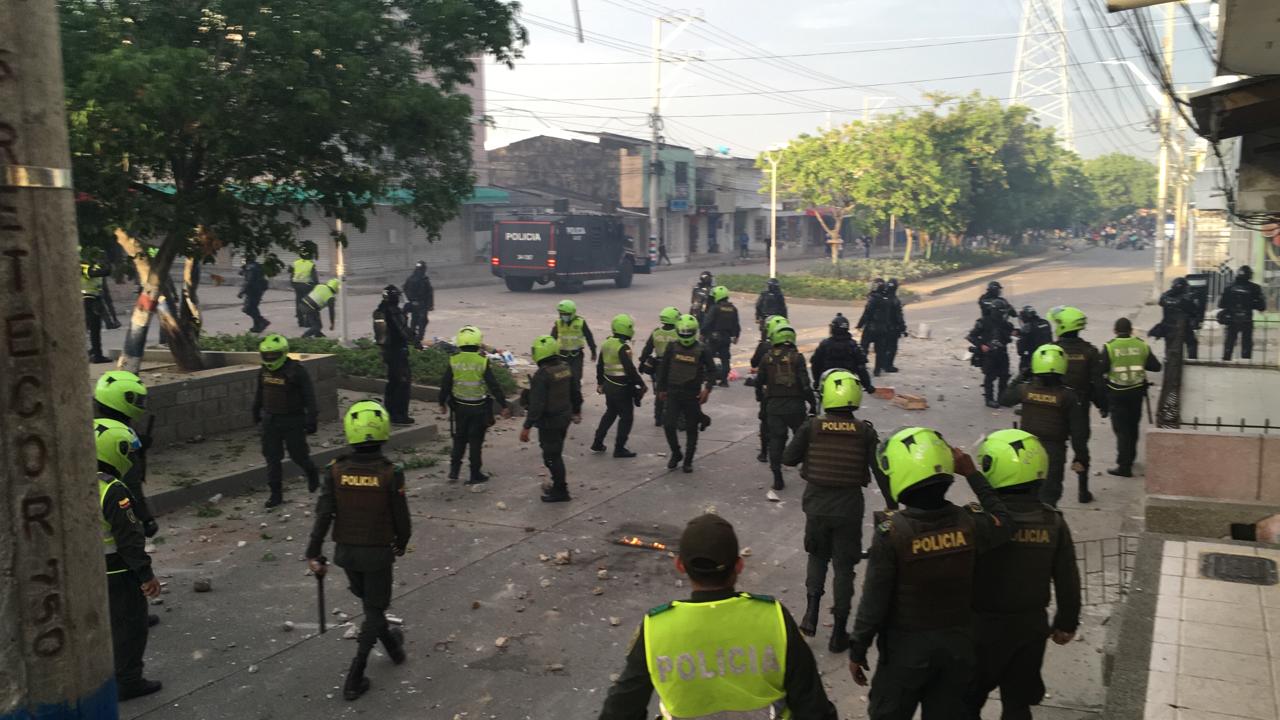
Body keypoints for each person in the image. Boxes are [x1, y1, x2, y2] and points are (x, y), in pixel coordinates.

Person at [597, 513, 839, 720]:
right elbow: (813, 706)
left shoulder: (657, 628)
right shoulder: (773, 617)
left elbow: (620, 710)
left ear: (680, 566)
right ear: (739, 566)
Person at [847, 427, 1013, 720]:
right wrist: (973, 473)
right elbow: (1004, 522)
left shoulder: (893, 533)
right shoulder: (970, 524)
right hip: (957, 649)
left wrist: (858, 649)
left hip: (904, 655)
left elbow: (873, 602)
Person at [964, 429, 1082, 720]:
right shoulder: (1053, 522)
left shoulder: (977, 521)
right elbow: (1068, 578)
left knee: (966, 702)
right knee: (1017, 705)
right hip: (1030, 628)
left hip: (981, 628)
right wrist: (1066, 622)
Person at [305, 400, 412, 702]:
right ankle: (355, 675)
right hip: (377, 554)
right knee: (375, 611)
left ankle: (392, 647)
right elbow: (402, 518)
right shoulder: (391, 473)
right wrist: (401, 543)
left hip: (347, 554)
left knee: (370, 605)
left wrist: (313, 552)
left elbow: (324, 514)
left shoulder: (336, 470)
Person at [782, 370, 890, 654]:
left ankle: (811, 614)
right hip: (849, 509)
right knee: (844, 569)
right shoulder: (865, 431)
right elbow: (880, 471)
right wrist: (892, 505)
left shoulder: (812, 427)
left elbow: (788, 458)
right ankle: (839, 631)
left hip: (816, 506)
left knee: (817, 557)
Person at [95, 417, 163, 700]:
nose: (131, 459)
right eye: (128, 452)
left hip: (91, 571)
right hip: (118, 573)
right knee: (131, 628)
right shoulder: (114, 490)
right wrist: (146, 576)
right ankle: (128, 681)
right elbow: (129, 540)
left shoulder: (76, 481)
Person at [1000, 344, 1086, 507]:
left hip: (1027, 450)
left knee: (1024, 493)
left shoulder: (1025, 390)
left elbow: (1004, 399)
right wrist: (1081, 456)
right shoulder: (1068, 396)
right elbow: (1078, 432)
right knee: (1049, 498)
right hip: (1054, 453)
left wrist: (1021, 376)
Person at [252, 334, 320, 508]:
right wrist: (255, 412)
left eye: (273, 355)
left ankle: (311, 472)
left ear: (282, 353)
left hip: (293, 420)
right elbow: (260, 393)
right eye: (266, 355)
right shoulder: (264, 371)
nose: (269, 359)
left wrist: (311, 419)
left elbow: (309, 397)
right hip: (270, 421)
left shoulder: (297, 371)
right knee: (272, 459)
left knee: (298, 456)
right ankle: (276, 495)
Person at [439, 325, 511, 484]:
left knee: (459, 438)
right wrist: (504, 405)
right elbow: (493, 385)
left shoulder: (454, 360)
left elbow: (446, 384)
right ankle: (474, 474)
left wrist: (441, 402)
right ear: (478, 342)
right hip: (478, 408)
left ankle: (454, 471)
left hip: (460, 407)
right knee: (475, 441)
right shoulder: (482, 361)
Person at [1048, 306, 1105, 504]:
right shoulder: (1090, 351)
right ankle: (1083, 490)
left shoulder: (1052, 350)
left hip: (1056, 408)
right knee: (1081, 449)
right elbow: (1097, 383)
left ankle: (1049, 491)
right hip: (1080, 409)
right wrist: (1103, 406)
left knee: (1054, 448)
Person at [95, 371, 159, 540]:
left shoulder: (93, 420)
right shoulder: (122, 438)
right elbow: (132, 483)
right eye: (138, 400)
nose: (141, 405)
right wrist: (146, 518)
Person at [522, 335, 584, 502]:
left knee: (552, 456)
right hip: (564, 418)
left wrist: (527, 426)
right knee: (555, 453)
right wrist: (577, 410)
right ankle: (558, 486)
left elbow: (537, 404)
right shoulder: (565, 367)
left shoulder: (542, 375)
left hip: (549, 422)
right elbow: (575, 392)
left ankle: (561, 490)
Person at [757, 321, 816, 491]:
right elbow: (805, 384)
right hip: (796, 407)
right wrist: (812, 403)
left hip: (774, 407)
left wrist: (762, 400)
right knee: (804, 439)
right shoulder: (797, 358)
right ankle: (808, 471)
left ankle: (777, 478)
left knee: (776, 441)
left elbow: (759, 382)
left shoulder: (766, 358)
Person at [1100, 318, 1162, 478]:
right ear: (1131, 330)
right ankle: (1130, 457)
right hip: (1136, 393)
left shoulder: (1110, 347)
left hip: (1117, 393)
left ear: (1115, 330)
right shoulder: (1141, 345)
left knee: (1121, 430)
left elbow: (1101, 369)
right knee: (1132, 427)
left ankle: (1124, 466)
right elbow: (1156, 366)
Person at [657, 314, 717, 473]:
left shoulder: (702, 349)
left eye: (688, 332)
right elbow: (664, 368)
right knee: (669, 425)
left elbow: (712, 371)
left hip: (692, 394)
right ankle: (676, 453)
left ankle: (688, 461)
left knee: (691, 428)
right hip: (673, 392)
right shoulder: (672, 347)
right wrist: (661, 389)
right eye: (682, 332)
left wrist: (707, 389)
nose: (685, 335)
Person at [592, 314, 647, 458]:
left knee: (610, 413)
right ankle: (619, 448)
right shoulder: (623, 347)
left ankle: (597, 442)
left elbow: (600, 366)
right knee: (626, 417)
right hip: (622, 387)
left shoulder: (607, 343)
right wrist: (640, 384)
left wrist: (600, 383)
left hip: (609, 385)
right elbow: (630, 369)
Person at [373, 285, 420, 426]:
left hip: (386, 351)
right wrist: (415, 340)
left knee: (392, 383)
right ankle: (400, 415)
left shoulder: (379, 311)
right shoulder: (393, 312)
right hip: (397, 351)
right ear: (393, 297)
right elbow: (403, 330)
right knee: (402, 383)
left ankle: (390, 412)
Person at [749, 315, 790, 464]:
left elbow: (753, 363)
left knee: (766, 422)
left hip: (768, 391)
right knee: (783, 424)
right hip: (788, 392)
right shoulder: (792, 350)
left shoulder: (764, 347)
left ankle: (764, 452)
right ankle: (783, 450)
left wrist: (758, 392)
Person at [810, 313, 875, 395]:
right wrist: (868, 386)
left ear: (833, 328)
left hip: (828, 385)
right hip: (848, 385)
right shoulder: (853, 346)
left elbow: (815, 364)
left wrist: (816, 381)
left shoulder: (825, 344)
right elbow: (861, 368)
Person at [639, 307, 681, 427]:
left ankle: (658, 418)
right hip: (674, 366)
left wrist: (642, 363)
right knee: (673, 391)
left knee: (659, 391)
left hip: (658, 366)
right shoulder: (678, 333)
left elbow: (647, 350)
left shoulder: (656, 332)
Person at [968, 307, 1014, 409]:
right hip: (989, 354)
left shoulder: (1004, 323)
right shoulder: (984, 321)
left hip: (1002, 353)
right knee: (990, 377)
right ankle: (989, 399)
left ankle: (1002, 398)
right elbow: (971, 336)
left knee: (1004, 376)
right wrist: (981, 345)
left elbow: (1011, 334)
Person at [1219, 265, 1267, 361]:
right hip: (1246, 319)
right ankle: (1246, 362)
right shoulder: (1255, 288)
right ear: (1250, 275)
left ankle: (1226, 359)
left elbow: (1221, 304)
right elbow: (1261, 306)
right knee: (1247, 342)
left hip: (1231, 318)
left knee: (1230, 341)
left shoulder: (1229, 287)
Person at [700, 285, 741, 387]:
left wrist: (702, 333)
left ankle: (711, 380)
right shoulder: (733, 309)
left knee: (708, 359)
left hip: (714, 337)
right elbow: (736, 324)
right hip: (726, 338)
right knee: (725, 359)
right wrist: (736, 336)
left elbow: (707, 322)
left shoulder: (715, 308)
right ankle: (724, 381)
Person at [550, 299, 597, 385]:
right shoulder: (558, 323)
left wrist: (593, 350)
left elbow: (589, 336)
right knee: (561, 378)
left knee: (576, 378)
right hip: (562, 356)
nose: (563, 316)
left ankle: (575, 395)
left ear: (572, 313)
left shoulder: (580, 322)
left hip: (576, 356)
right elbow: (552, 339)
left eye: (565, 314)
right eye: (561, 314)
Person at [1155, 276, 1201, 360]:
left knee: (1169, 345)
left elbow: (1161, 300)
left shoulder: (1166, 297)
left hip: (1168, 326)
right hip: (1183, 327)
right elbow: (1194, 310)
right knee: (1192, 343)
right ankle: (1192, 360)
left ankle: (1168, 360)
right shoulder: (1185, 300)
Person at [82, 255, 113, 363]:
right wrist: (106, 266)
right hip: (87, 300)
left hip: (95, 299)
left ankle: (94, 352)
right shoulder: (83, 267)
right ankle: (96, 355)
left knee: (95, 329)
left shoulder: (94, 266)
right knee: (92, 328)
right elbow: (96, 273)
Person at [877, 278, 907, 373]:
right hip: (892, 328)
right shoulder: (895, 300)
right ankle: (888, 365)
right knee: (892, 347)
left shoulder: (881, 298)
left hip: (881, 327)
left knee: (883, 346)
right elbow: (899, 317)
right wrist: (903, 328)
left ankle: (880, 364)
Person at [403, 260, 435, 344]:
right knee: (422, 321)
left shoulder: (410, 278)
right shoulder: (424, 279)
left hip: (413, 304)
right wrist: (430, 305)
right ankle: (418, 339)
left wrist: (411, 300)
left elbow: (405, 288)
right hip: (422, 304)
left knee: (414, 320)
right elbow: (429, 292)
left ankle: (412, 338)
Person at [1014, 305, 1053, 374]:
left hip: (1033, 358)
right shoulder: (1045, 322)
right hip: (1048, 355)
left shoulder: (1027, 327)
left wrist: (1019, 340)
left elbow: (1021, 351)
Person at [238, 256, 271, 334]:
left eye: (243, 261)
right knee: (253, 308)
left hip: (253, 290)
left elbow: (249, 281)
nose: (242, 262)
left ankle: (262, 321)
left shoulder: (251, 268)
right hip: (258, 290)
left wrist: (242, 292)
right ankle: (257, 326)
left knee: (248, 309)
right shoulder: (257, 266)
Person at [290, 245, 318, 328]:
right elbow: (314, 277)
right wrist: (316, 286)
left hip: (297, 285)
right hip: (307, 286)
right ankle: (307, 322)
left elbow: (292, 275)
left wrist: (293, 284)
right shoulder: (310, 264)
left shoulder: (296, 263)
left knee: (298, 302)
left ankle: (300, 321)